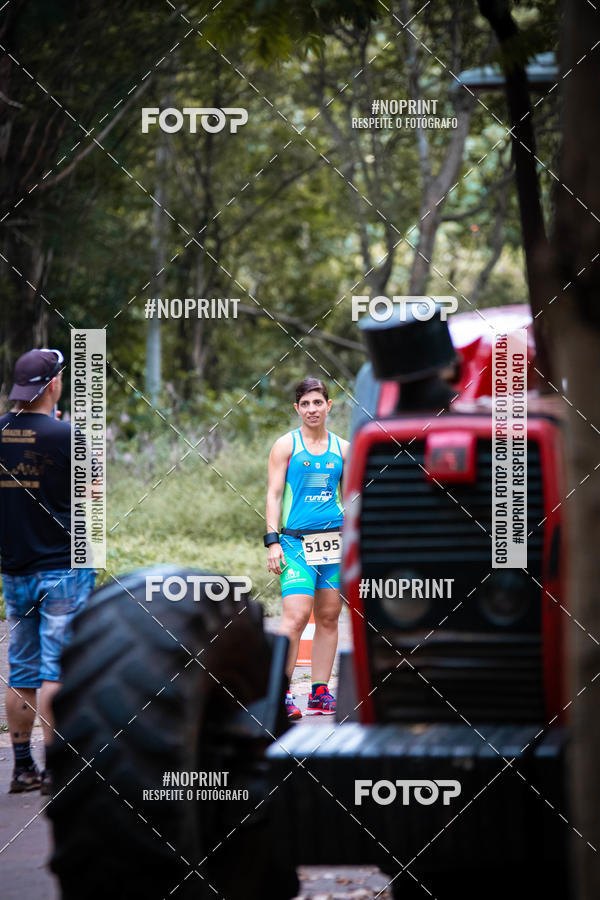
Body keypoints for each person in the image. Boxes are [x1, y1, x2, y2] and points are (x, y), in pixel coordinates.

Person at [0, 349, 95, 793]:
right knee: (55, 669)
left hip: (15, 569)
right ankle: (58, 768)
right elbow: (94, 492)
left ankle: (22, 768)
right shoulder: (68, 434)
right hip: (63, 567)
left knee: (21, 670)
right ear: (54, 385)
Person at [265, 377, 348, 719]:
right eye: (305, 404)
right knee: (296, 616)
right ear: (296, 408)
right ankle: (280, 694)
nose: (312, 409)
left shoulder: (343, 448)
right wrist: (272, 541)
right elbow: (272, 494)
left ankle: (319, 692)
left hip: (334, 544)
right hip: (295, 542)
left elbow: (354, 497)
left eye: (318, 403)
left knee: (329, 617)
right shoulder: (286, 445)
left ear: (329, 406)